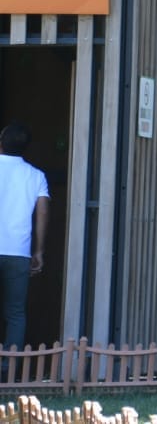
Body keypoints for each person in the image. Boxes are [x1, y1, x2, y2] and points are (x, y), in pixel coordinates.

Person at [0, 124, 48, 351]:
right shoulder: (36, 176)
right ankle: (9, 369)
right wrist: (38, 251)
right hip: (18, 252)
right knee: (16, 312)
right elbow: (42, 213)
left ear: (1, 141)